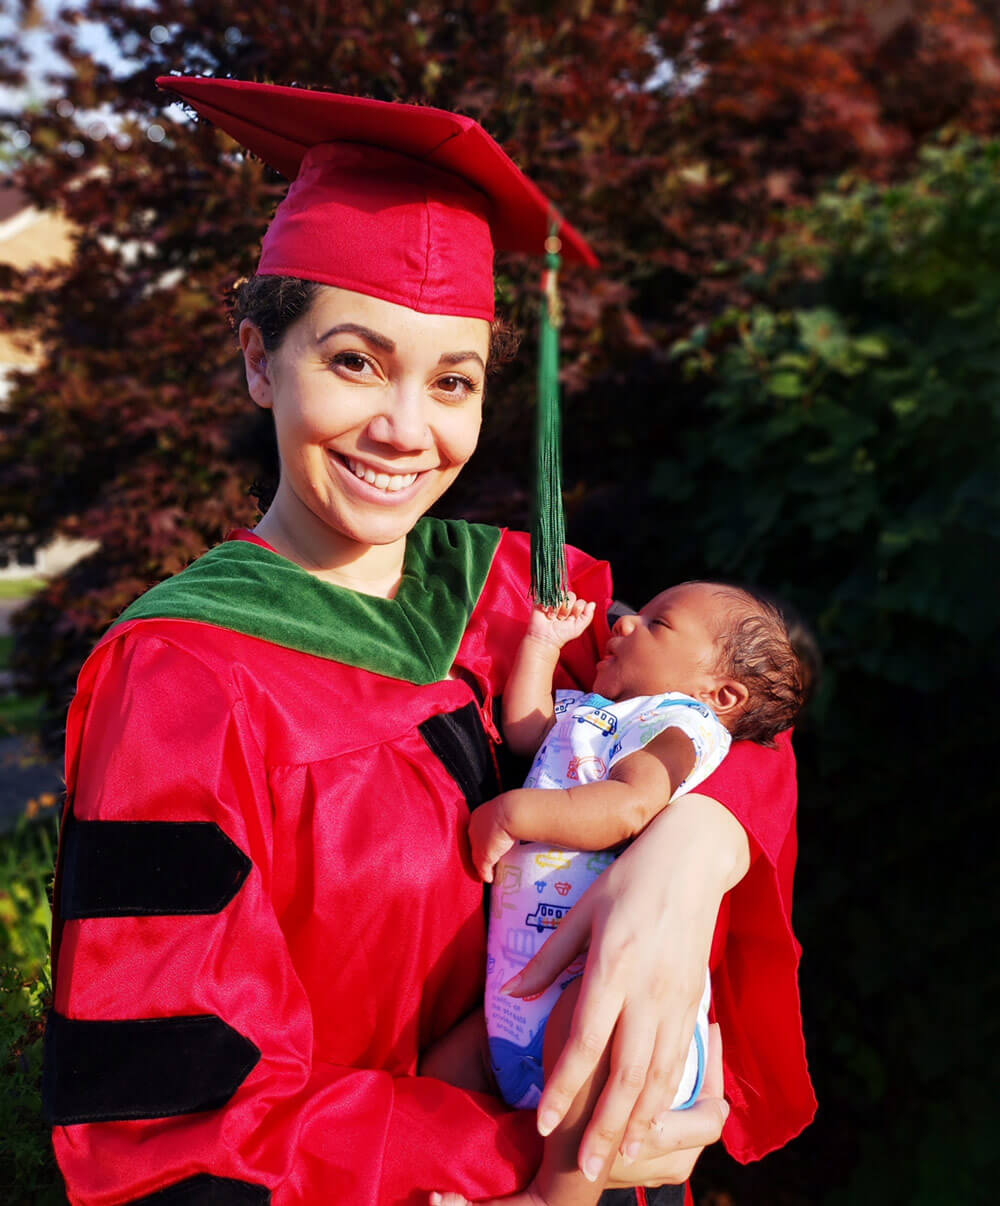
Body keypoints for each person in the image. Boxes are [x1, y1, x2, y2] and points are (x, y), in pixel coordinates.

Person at [42, 76, 816, 1206]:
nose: (408, 428)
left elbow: (737, 712)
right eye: (354, 361)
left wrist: (691, 853)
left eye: (451, 379)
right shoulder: (183, 683)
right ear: (261, 360)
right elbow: (173, 1126)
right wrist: (547, 1157)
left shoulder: (516, 591)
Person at [423, 581, 811, 1206]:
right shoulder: (592, 713)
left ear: (721, 694)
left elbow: (630, 804)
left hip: (601, 992)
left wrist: (518, 814)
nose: (623, 624)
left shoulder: (680, 728)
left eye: (657, 626)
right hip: (523, 992)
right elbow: (527, 735)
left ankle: (554, 1198)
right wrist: (543, 646)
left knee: (584, 1061)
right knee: (437, 1078)